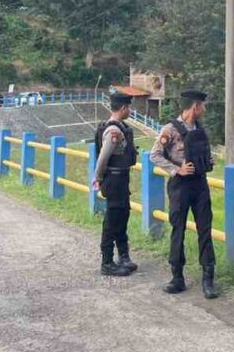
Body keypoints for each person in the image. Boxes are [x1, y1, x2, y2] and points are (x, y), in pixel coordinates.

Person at [150, 89, 218, 299]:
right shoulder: (170, 129)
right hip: (180, 185)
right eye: (202, 105)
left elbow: (203, 153)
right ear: (195, 106)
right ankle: (177, 277)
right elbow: (155, 155)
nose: (204, 109)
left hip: (200, 184)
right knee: (178, 229)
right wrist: (176, 169)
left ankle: (208, 278)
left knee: (205, 229)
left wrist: (208, 162)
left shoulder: (201, 129)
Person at [91, 92, 139, 277]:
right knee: (112, 220)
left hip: (121, 179)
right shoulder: (114, 132)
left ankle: (123, 256)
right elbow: (103, 159)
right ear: (124, 108)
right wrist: (97, 177)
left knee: (122, 216)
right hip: (114, 180)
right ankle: (107, 262)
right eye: (129, 107)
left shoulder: (120, 127)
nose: (130, 111)